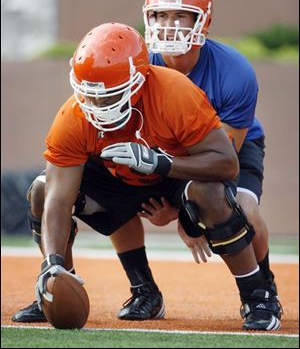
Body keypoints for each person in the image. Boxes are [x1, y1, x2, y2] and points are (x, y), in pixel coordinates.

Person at [13, 22, 273, 331]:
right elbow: (57, 198)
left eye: (110, 94)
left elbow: (226, 164)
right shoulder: (72, 116)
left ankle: (257, 296)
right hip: (118, 177)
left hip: (173, 173)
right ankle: (61, 289)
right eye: (89, 94)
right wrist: (51, 262)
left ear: (138, 79)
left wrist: (162, 164)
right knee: (41, 190)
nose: (97, 105)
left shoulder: (173, 91)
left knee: (212, 195)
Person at [138, 0, 282, 330]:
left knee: (243, 208)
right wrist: (172, 203)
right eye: (160, 15)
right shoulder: (140, 68)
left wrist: (188, 214)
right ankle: (142, 290)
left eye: (179, 15)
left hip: (229, 149)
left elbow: (222, 164)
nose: (168, 25)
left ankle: (263, 290)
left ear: (202, 20)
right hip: (166, 149)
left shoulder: (234, 72)